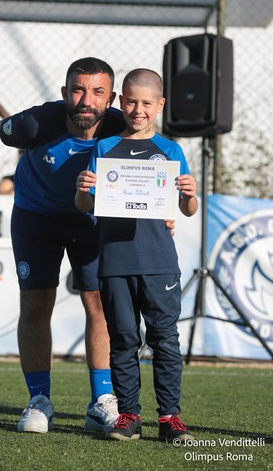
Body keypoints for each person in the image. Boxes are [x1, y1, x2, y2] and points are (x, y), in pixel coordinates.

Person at [0, 58, 175, 435]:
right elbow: (3, 129)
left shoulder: (118, 127)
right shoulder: (37, 123)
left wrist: (165, 209)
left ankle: (102, 401)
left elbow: (155, 167)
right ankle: (39, 400)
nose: (86, 100)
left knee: (99, 301)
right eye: (77, 90)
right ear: (65, 94)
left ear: (110, 98)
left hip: (93, 219)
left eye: (97, 92)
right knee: (36, 302)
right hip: (35, 218)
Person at [75, 68, 198, 443]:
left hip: (159, 261)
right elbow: (84, 206)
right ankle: (129, 415)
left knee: (164, 339)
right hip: (114, 260)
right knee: (124, 338)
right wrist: (83, 188)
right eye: (130, 101)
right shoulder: (105, 148)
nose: (138, 109)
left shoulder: (172, 150)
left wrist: (190, 194)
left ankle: (170, 418)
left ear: (160, 105)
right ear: (119, 102)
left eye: (146, 102)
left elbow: (187, 209)